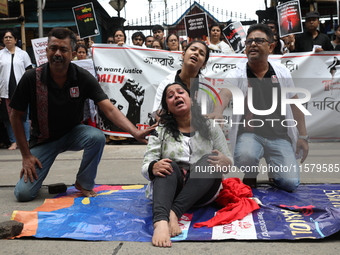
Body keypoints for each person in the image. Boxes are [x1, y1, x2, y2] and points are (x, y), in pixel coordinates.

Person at [9, 27, 151, 202]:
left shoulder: (82, 77)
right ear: (46, 51)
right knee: (23, 194)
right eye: (53, 48)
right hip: (43, 140)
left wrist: (135, 132)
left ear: (73, 53)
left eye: (63, 49)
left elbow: (109, 109)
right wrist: (26, 156)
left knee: (96, 137)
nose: (57, 54)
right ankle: (35, 178)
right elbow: (15, 117)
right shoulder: (31, 78)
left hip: (73, 134)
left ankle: (83, 182)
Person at [209, 23, 309, 192]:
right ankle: (250, 172)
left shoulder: (282, 72)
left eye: (258, 40)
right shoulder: (237, 73)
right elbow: (225, 93)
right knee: (246, 156)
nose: (253, 44)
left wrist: (303, 136)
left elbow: (296, 104)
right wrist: (217, 111)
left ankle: (274, 166)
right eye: (249, 42)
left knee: (289, 183)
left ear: (271, 46)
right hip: (250, 134)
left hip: (279, 136)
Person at [142, 82, 232, 247]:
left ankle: (174, 212)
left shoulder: (210, 125)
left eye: (180, 92)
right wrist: (152, 167)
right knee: (165, 165)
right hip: (170, 191)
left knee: (210, 159)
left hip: (202, 192)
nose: (176, 96)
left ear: (191, 99)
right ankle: (161, 222)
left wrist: (225, 162)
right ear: (168, 108)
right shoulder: (160, 129)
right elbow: (147, 163)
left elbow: (227, 160)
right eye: (170, 96)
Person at [152, 40, 211, 116]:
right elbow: (158, 112)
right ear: (183, 55)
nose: (196, 53)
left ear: (204, 64)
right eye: (193, 49)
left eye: (201, 53)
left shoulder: (207, 88)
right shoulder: (167, 83)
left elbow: (208, 116)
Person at [0, 30, 32, 150]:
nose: (8, 39)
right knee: (9, 118)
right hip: (5, 91)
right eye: (6, 37)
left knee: (23, 116)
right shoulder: (0, 55)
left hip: (21, 91)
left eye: (10, 37)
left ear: (15, 40)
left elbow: (29, 71)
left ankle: (26, 141)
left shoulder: (23, 54)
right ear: (3, 40)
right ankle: (13, 142)